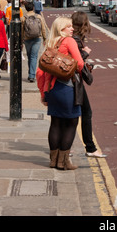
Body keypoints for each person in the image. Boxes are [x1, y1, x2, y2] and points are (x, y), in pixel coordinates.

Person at [36, 17, 84, 170]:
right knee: (71, 123)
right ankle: (63, 162)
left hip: (52, 89)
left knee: (55, 123)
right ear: (61, 29)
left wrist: (43, 93)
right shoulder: (69, 41)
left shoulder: (51, 43)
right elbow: (80, 64)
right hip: (66, 88)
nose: (72, 29)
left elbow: (41, 73)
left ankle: (53, 160)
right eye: (68, 26)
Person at [71, 11, 107, 158]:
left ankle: (67, 147)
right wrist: (85, 54)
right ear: (84, 24)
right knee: (83, 114)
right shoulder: (76, 40)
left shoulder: (74, 38)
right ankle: (89, 148)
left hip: (72, 81)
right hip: (74, 81)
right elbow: (76, 62)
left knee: (74, 115)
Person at [22, 1, 47, 83]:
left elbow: (22, 30)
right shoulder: (39, 17)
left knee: (30, 56)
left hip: (27, 39)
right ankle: (32, 75)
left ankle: (31, 74)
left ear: (25, 8)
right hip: (37, 38)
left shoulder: (23, 18)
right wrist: (45, 38)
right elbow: (43, 29)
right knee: (34, 57)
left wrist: (22, 39)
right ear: (33, 8)